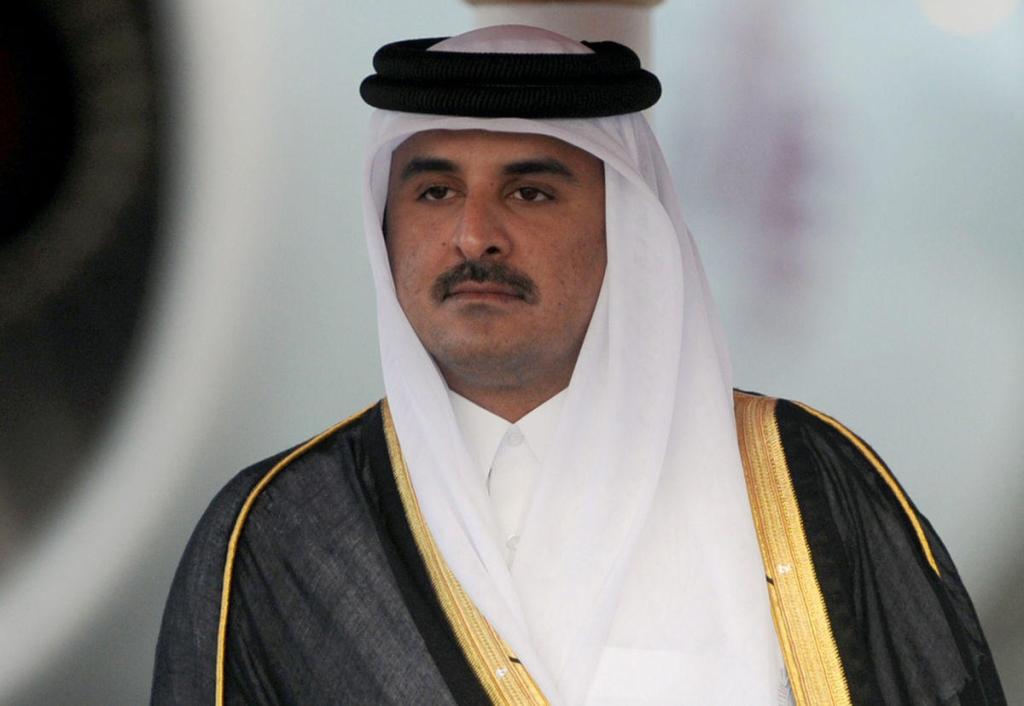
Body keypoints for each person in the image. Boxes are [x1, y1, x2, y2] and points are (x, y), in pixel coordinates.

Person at [151, 26, 1005, 705]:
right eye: (435, 191)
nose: (474, 236)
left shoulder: (804, 483)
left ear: (629, 229)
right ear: (387, 228)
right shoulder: (282, 533)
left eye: (530, 192)